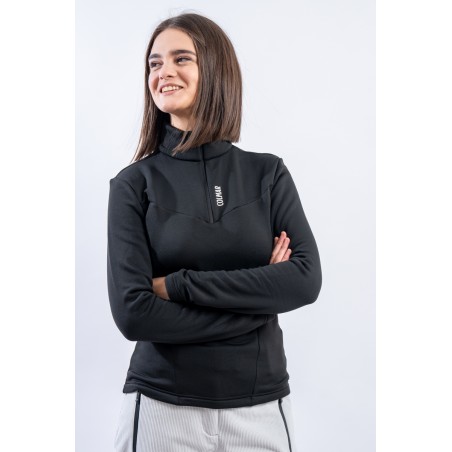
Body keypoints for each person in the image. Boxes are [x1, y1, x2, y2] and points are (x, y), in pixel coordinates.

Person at [107, 12, 322, 452]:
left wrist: (177, 286)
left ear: (215, 69)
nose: (164, 72)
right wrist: (260, 304)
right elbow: (134, 314)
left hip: (261, 407)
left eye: (181, 58)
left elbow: (304, 280)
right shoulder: (133, 184)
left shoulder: (267, 174)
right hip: (162, 406)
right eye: (154, 63)